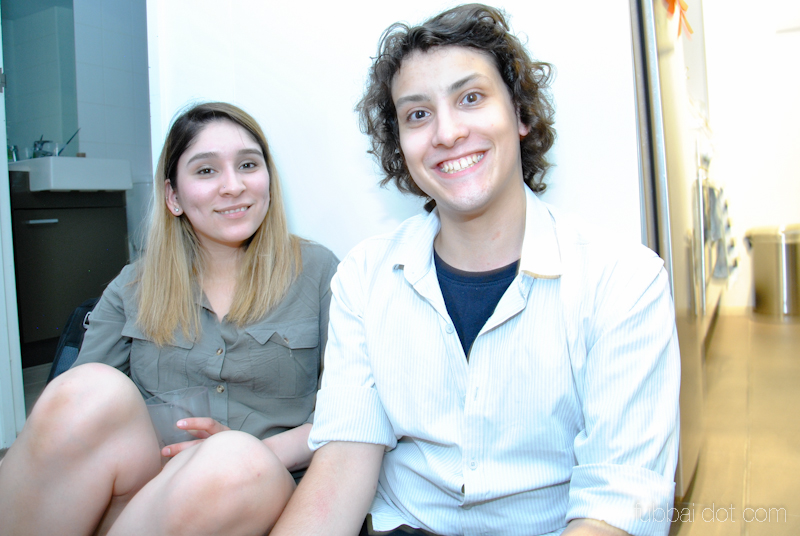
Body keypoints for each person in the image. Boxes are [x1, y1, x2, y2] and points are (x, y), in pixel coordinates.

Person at [272, 5, 680, 536]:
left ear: (520, 114)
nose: (446, 132)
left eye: (470, 98)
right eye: (418, 114)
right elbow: (344, 460)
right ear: (400, 145)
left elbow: (620, 504)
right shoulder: (364, 276)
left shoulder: (623, 280)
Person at [0, 102, 339, 535]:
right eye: (206, 170)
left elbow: (351, 415)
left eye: (248, 165)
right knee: (86, 388)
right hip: (151, 493)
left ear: (268, 180)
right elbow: (75, 420)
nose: (233, 186)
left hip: (260, 484)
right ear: (173, 197)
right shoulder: (133, 286)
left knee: (235, 460)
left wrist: (250, 454)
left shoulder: (320, 272)